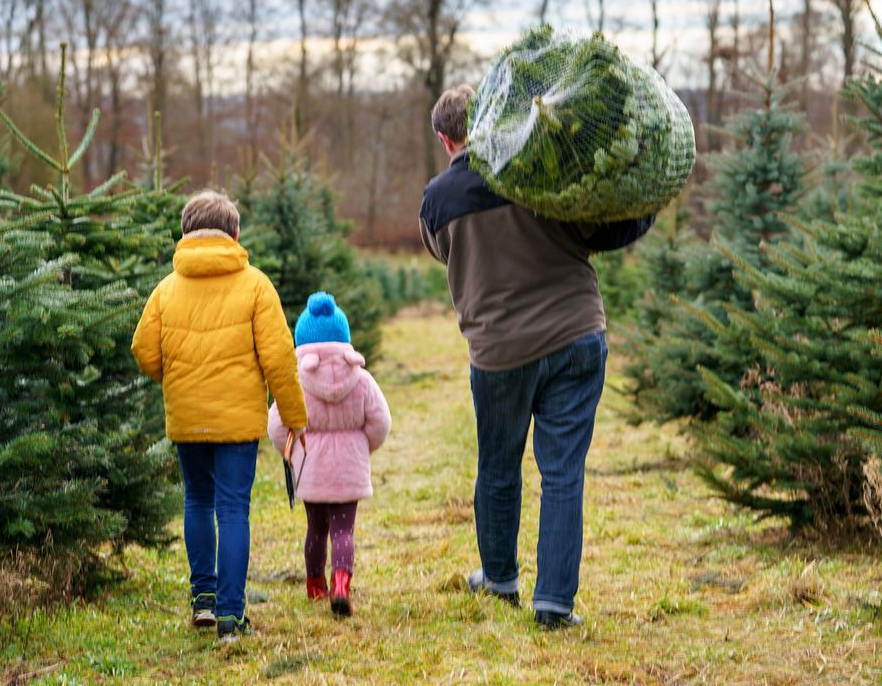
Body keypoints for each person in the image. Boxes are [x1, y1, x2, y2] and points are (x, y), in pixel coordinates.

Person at [418, 85, 655, 630]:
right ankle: (554, 605)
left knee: (498, 466)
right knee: (563, 473)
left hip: (499, 352)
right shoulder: (535, 171)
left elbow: (441, 251)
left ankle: (499, 580)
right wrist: (645, 209)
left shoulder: (436, 200)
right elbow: (605, 228)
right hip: (575, 334)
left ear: (443, 138)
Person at [131, 189, 308, 645]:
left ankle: (203, 599)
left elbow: (144, 352)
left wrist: (176, 378)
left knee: (197, 501)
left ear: (186, 233)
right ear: (234, 233)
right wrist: (294, 418)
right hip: (236, 425)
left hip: (188, 418)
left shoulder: (166, 289)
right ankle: (232, 616)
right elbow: (280, 359)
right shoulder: (255, 285)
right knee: (233, 508)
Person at [268, 292, 391, 618]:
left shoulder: (296, 381)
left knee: (316, 529)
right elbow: (381, 422)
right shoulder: (362, 379)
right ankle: (341, 584)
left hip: (311, 467)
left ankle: (314, 586)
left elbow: (276, 426)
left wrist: (294, 452)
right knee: (343, 530)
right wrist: (363, 447)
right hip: (349, 467)